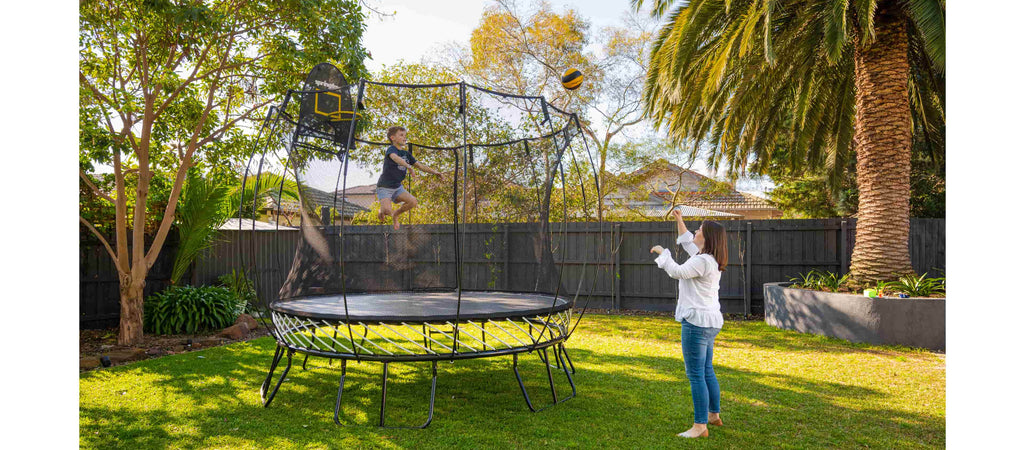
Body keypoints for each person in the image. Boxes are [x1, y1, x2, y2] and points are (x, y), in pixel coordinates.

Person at [650, 208, 728, 438]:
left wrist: (663, 253)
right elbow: (687, 243)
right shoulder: (708, 258)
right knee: (706, 370)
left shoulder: (702, 261)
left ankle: (699, 426)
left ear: (708, 237)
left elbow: (677, 272)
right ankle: (713, 415)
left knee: (695, 374)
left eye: (700, 230)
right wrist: (679, 220)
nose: (696, 231)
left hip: (696, 322)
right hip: (710, 321)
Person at [376, 126, 441, 230]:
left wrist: (435, 172)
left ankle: (396, 215)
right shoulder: (391, 150)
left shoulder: (406, 154)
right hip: (384, 187)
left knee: (413, 202)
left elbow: (420, 166)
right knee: (387, 210)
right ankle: (381, 211)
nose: (404, 138)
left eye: (405, 136)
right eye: (401, 135)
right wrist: (408, 166)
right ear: (393, 138)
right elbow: (395, 158)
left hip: (397, 187)